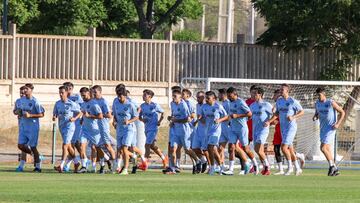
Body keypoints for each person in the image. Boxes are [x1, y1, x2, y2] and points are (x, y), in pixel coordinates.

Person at [265, 84, 304, 176]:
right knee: (290, 149)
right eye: (280, 89)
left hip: (291, 127)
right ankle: (297, 168)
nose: (280, 91)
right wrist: (269, 121)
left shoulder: (292, 101)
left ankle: (290, 168)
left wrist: (293, 117)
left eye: (282, 89)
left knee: (283, 148)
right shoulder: (279, 101)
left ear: (287, 91)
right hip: (283, 127)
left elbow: (302, 111)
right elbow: (277, 113)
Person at [163, 89, 201, 174]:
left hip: (184, 130)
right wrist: (171, 119)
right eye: (172, 96)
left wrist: (175, 120)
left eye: (175, 96)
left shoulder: (184, 105)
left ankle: (198, 160)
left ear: (180, 98)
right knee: (173, 149)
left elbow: (186, 120)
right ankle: (173, 168)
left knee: (187, 150)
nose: (173, 98)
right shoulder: (172, 104)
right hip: (175, 130)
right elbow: (174, 115)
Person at [224, 87, 257, 175]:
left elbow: (249, 114)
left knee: (246, 148)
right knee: (231, 148)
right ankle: (231, 169)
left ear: (235, 94)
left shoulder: (241, 102)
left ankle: (254, 164)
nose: (228, 98)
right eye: (227, 96)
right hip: (232, 128)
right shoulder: (229, 103)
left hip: (242, 129)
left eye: (230, 96)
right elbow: (231, 115)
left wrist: (238, 116)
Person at [13, 83, 45, 172]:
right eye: (24, 89)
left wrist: (30, 115)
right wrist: (17, 112)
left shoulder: (35, 101)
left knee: (33, 147)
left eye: (26, 89)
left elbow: (42, 114)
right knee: (20, 146)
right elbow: (15, 111)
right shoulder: (20, 100)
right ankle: (36, 156)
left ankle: (38, 167)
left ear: (31, 90)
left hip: (33, 128)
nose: (24, 90)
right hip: (23, 127)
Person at [313, 87, 345, 176]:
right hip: (322, 128)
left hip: (330, 128)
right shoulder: (317, 103)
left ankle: (331, 166)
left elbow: (342, 112)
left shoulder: (330, 102)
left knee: (323, 148)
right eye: (317, 95)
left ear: (324, 94)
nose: (318, 97)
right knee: (326, 149)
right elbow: (317, 113)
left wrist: (338, 124)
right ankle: (335, 168)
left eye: (319, 95)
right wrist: (315, 116)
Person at [53, 86, 82, 173]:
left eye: (62, 93)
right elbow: (55, 113)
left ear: (66, 93)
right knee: (68, 146)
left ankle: (61, 166)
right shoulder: (57, 103)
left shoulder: (71, 103)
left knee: (65, 145)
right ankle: (76, 162)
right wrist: (54, 116)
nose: (61, 94)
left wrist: (74, 118)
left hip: (70, 127)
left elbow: (80, 112)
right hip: (62, 126)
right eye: (60, 93)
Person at [199, 91, 228, 175]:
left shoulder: (218, 106)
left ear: (214, 99)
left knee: (210, 147)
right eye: (206, 98)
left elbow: (226, 116)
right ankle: (220, 166)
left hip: (216, 131)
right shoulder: (204, 107)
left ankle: (213, 167)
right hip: (207, 131)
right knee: (212, 150)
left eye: (208, 98)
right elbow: (202, 117)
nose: (206, 100)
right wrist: (200, 118)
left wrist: (219, 120)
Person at [112, 88, 139, 175]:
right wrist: (114, 121)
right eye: (118, 96)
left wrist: (129, 121)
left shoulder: (130, 104)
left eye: (121, 96)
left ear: (125, 96)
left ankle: (126, 169)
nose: (119, 98)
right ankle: (133, 156)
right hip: (119, 128)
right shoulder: (116, 103)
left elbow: (136, 117)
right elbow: (115, 114)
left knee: (124, 148)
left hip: (128, 129)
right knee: (119, 150)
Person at [77, 87, 104, 173]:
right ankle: (84, 166)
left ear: (88, 93)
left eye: (84, 95)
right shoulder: (83, 103)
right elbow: (84, 113)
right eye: (81, 96)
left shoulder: (94, 104)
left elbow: (100, 116)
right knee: (81, 146)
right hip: (85, 129)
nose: (83, 97)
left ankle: (102, 165)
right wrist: (82, 119)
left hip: (94, 130)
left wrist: (90, 116)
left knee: (97, 148)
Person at [139, 89, 167, 168]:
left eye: (145, 95)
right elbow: (139, 117)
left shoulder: (155, 105)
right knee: (152, 146)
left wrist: (159, 121)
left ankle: (144, 163)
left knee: (147, 145)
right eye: (143, 95)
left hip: (153, 128)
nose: (143, 96)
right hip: (147, 128)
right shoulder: (142, 106)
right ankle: (164, 158)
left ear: (150, 97)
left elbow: (163, 112)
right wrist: (142, 119)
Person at [91, 85, 116, 173]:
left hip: (103, 126)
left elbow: (109, 115)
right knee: (97, 146)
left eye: (95, 92)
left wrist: (99, 115)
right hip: (96, 126)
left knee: (107, 146)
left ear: (100, 92)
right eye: (93, 92)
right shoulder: (93, 101)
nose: (94, 94)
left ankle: (115, 166)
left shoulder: (103, 102)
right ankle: (102, 165)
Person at [249, 87, 273, 175]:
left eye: (255, 93)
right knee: (257, 150)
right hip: (255, 130)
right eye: (253, 93)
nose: (253, 95)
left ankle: (267, 166)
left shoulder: (266, 105)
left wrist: (269, 121)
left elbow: (275, 114)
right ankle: (265, 166)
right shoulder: (252, 105)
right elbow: (249, 116)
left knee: (259, 150)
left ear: (260, 95)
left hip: (263, 130)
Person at [62, 82, 83, 172]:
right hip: (68, 124)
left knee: (72, 144)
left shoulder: (77, 97)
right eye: (66, 87)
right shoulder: (65, 98)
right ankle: (78, 162)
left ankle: (67, 164)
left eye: (70, 87)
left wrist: (80, 118)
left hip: (77, 123)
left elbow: (82, 109)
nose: (68, 89)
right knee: (73, 144)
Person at [191, 91, 208, 173]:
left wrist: (198, 120)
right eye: (197, 97)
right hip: (199, 130)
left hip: (205, 130)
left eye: (199, 97)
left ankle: (211, 165)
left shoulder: (206, 106)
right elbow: (199, 116)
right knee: (194, 148)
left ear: (203, 98)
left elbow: (204, 118)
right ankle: (204, 161)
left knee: (206, 150)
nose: (197, 99)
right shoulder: (197, 105)